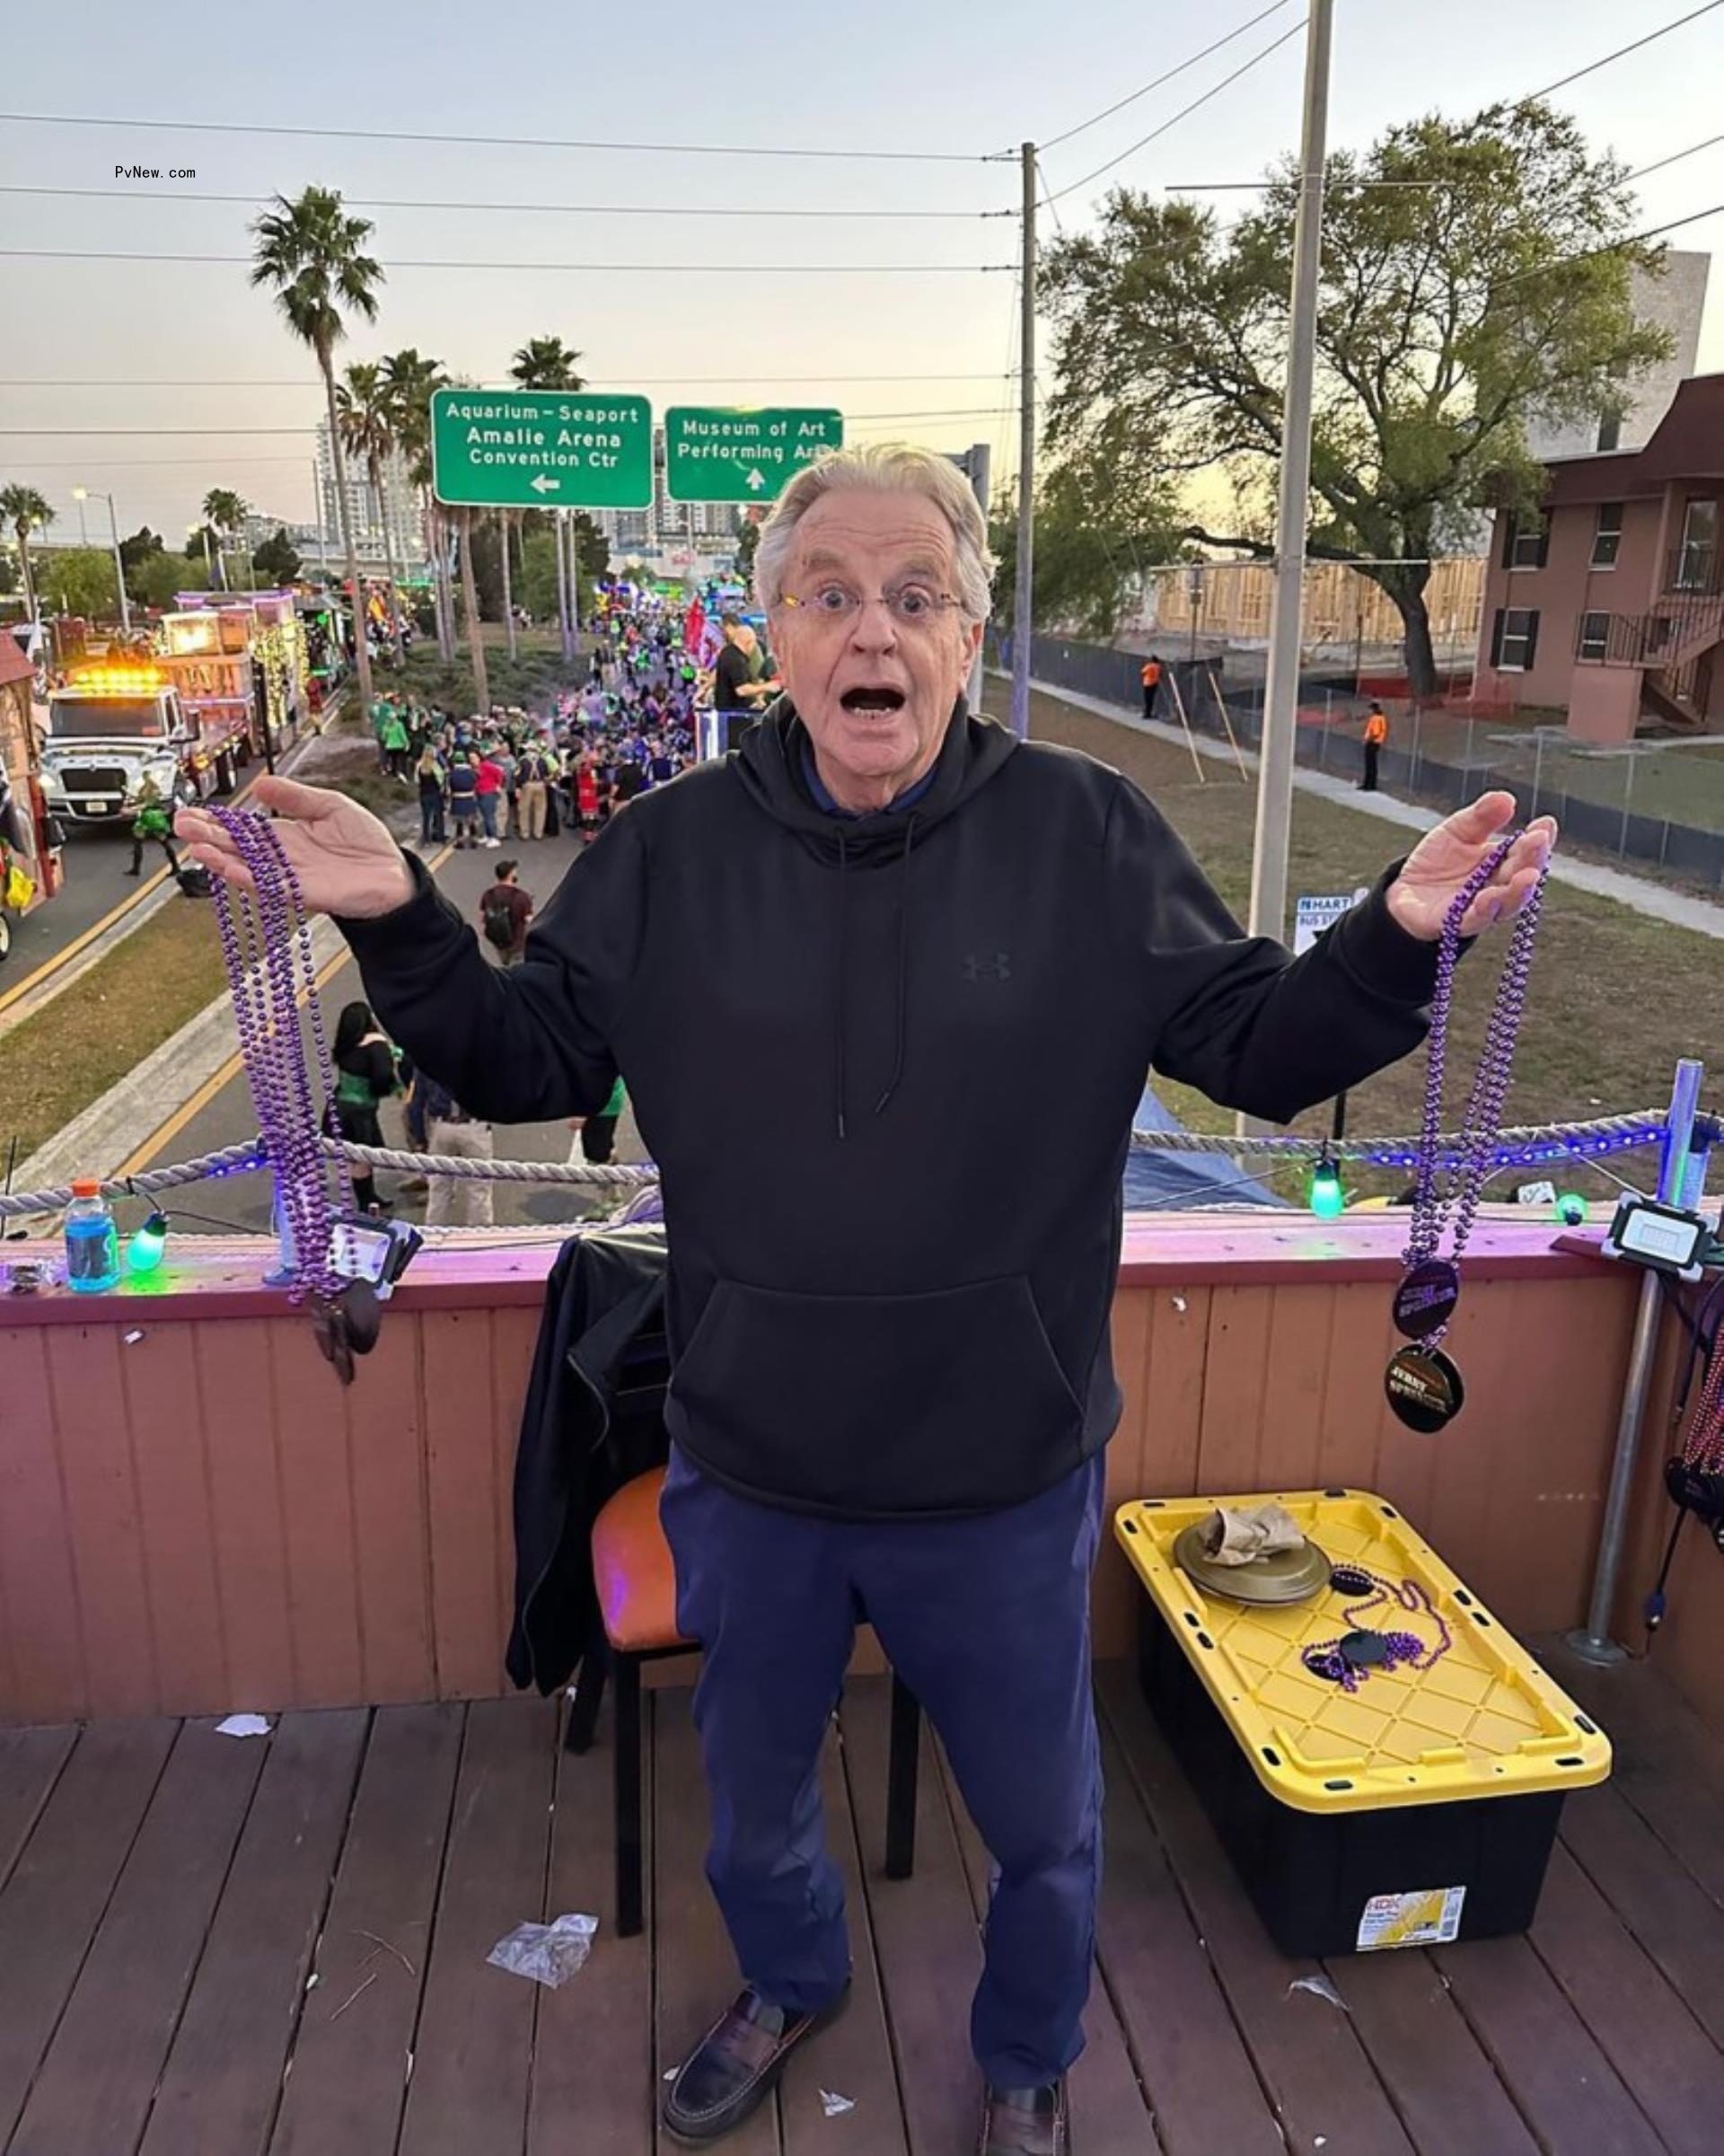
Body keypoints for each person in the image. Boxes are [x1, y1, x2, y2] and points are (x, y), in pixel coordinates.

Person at [179, 444, 1555, 2156]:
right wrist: (397, 913)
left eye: (917, 595)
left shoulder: (1087, 835)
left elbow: (1256, 1054)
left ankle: (1031, 2055)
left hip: (1002, 1472)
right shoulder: (670, 851)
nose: (872, 629)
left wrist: (1400, 943)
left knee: (1046, 1831)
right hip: (752, 1466)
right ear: (774, 633)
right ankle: (788, 1977)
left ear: (972, 634)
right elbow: (524, 1051)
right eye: (830, 593)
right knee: (753, 1814)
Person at [327, 999, 397, 1216]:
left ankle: (368, 1196)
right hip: (360, 1112)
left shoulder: (346, 1045)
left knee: (356, 1158)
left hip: (339, 1107)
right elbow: (383, 1076)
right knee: (362, 1158)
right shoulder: (375, 1045)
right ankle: (366, 1201)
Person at [418, 1069, 495, 1228]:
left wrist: (420, 1138)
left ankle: (433, 1235)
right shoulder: (482, 1054)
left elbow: (418, 1100)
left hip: (441, 1125)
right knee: (479, 1188)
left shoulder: (429, 1054)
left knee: (439, 1187)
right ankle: (479, 1238)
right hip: (474, 1125)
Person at [479, 858, 532, 967]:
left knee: (505, 964)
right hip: (517, 942)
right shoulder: (521, 897)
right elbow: (528, 920)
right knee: (518, 968)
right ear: (510, 875)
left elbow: (482, 918)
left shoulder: (488, 894)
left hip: (499, 941)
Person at [126, 774, 181, 879]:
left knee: (138, 842)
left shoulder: (148, 791)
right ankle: (175, 866)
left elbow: (145, 804)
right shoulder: (156, 789)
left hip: (148, 817)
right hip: (156, 817)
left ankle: (136, 868)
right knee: (164, 841)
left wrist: (131, 810)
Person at [516, 741, 553, 841]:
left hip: (528, 784)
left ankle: (525, 833)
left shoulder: (522, 760)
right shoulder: (542, 760)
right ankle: (538, 833)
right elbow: (547, 773)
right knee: (540, 809)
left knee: (524, 809)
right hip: (540, 784)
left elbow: (518, 775)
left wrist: (518, 787)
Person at [474, 743, 506, 847]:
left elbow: (500, 773)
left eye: (474, 758)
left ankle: (494, 837)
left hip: (489, 793)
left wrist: (498, 785)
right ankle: (487, 836)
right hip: (480, 792)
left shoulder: (486, 765)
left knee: (489, 816)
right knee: (484, 816)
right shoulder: (477, 767)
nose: (472, 760)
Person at [446, 750, 479, 849]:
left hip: (457, 798)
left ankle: (460, 841)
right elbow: (475, 782)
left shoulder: (452, 774)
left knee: (459, 822)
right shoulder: (471, 772)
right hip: (469, 797)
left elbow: (449, 787)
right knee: (471, 821)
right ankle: (473, 840)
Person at [415, 744, 447, 844]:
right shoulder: (435, 765)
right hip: (435, 793)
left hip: (424, 793)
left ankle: (426, 838)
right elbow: (440, 779)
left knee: (426, 817)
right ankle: (440, 836)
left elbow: (417, 780)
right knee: (438, 815)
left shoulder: (419, 765)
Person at [1361, 701, 1389, 793]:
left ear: (1374, 709)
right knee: (1370, 764)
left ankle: (1370, 785)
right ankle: (1367, 784)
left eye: (1371, 709)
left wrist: (1368, 740)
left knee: (1371, 764)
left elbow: (1375, 733)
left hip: (1373, 743)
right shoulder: (1377, 718)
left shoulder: (1377, 718)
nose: (1370, 711)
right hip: (1373, 742)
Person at [382, 705, 411, 780]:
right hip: (399, 746)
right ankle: (403, 774)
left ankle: (395, 775)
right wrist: (407, 743)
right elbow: (403, 735)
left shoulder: (386, 726)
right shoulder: (399, 725)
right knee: (401, 761)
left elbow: (383, 738)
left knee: (393, 761)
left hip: (390, 746)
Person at [1140, 654, 1164, 721]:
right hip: (1155, 683)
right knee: (1152, 698)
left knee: (1147, 699)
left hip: (1147, 683)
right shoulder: (1158, 666)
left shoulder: (1149, 666)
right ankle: (1150, 712)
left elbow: (1142, 672)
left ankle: (1147, 713)